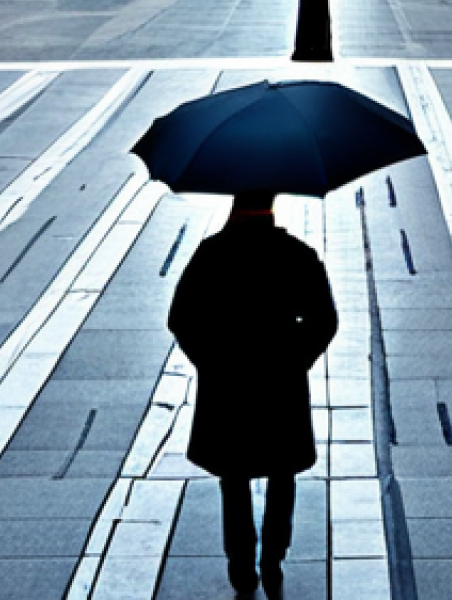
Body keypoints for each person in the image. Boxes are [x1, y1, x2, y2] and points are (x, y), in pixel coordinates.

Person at [168, 193, 337, 600]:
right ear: (272, 207)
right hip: (281, 381)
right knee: (283, 474)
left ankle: (241, 568)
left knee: (234, 477)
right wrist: (299, 356)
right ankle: (273, 560)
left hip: (228, 382)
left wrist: (208, 360)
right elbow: (325, 320)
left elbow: (180, 318)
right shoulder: (297, 254)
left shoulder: (213, 254)